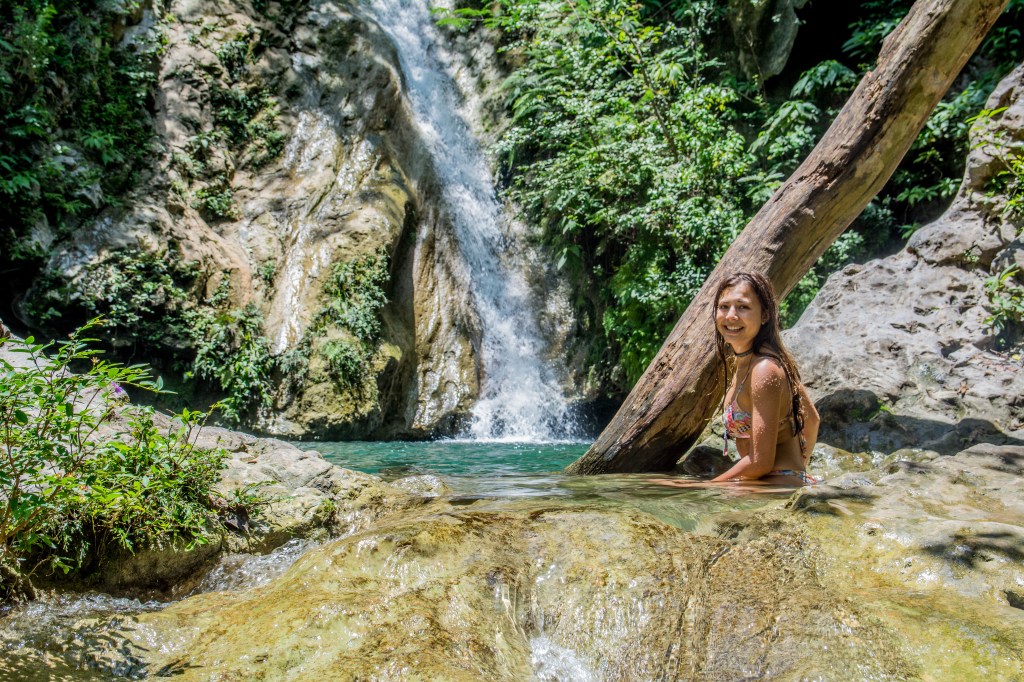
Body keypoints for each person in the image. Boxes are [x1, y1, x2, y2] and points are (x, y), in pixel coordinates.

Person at [708, 272, 820, 486]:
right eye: (724, 306)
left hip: (774, 486)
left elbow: (760, 463)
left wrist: (707, 487)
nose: (731, 315)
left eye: (743, 307)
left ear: (765, 315)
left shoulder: (765, 369)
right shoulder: (756, 361)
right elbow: (812, 420)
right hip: (769, 482)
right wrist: (798, 470)